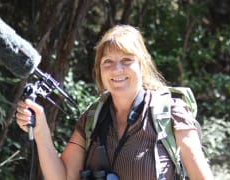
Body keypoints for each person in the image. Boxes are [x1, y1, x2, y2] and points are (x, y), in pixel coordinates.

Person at [16, 24, 214, 180]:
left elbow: (200, 176)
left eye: (126, 60)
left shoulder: (171, 112)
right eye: (107, 62)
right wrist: (41, 131)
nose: (116, 69)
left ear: (142, 65)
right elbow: (63, 177)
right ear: (99, 71)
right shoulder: (93, 118)